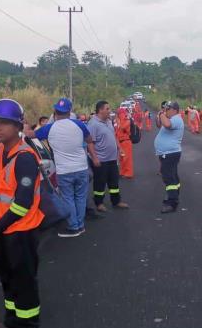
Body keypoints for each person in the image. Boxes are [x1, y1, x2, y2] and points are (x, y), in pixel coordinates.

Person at [0, 99, 45, 328]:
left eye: (3, 123)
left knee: (23, 279)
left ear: (17, 126)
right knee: (7, 277)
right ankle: (12, 322)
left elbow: (22, 202)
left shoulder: (25, 158)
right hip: (3, 229)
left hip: (21, 230)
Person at [28, 98, 100, 238]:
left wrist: (24, 126)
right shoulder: (79, 124)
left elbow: (31, 135)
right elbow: (90, 140)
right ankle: (80, 225)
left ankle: (73, 227)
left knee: (68, 198)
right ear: (69, 111)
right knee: (80, 197)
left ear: (55, 112)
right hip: (81, 168)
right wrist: (95, 158)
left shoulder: (50, 128)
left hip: (64, 171)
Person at [87, 101, 130, 212]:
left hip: (112, 159)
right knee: (100, 183)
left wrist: (119, 148)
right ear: (100, 110)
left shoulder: (108, 121)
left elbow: (113, 135)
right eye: (107, 109)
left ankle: (116, 201)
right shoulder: (93, 124)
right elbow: (90, 143)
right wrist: (95, 158)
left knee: (114, 181)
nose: (109, 110)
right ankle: (99, 203)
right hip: (101, 159)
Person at [154, 101, 184, 213]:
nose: (166, 110)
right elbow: (158, 124)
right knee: (173, 176)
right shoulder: (171, 119)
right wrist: (160, 116)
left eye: (168, 109)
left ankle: (172, 202)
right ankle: (175, 195)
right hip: (168, 153)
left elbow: (166, 124)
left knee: (168, 178)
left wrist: (162, 114)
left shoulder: (176, 119)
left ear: (175, 110)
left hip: (170, 153)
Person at [116, 107, 134, 178]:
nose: (119, 115)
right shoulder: (119, 121)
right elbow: (117, 131)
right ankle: (122, 172)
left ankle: (128, 173)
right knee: (122, 158)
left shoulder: (127, 120)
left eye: (119, 114)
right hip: (120, 142)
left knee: (127, 158)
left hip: (126, 141)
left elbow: (123, 127)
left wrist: (119, 122)